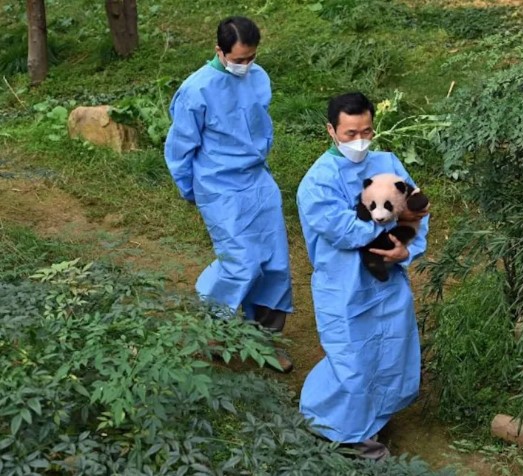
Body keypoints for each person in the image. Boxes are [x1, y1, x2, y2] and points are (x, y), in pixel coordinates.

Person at [296, 92, 430, 460]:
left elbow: (417, 209)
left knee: (391, 350)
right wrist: (397, 217)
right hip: (344, 286)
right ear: (331, 130)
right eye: (350, 133)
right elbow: (344, 230)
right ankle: (341, 430)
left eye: (367, 131)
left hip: (387, 281)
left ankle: (372, 418)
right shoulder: (318, 182)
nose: (360, 141)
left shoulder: (386, 161)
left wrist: (407, 249)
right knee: (351, 360)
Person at [164, 16, 293, 372]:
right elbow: (179, 149)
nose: (246, 65)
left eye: (251, 57)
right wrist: (192, 191)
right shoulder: (196, 90)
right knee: (241, 262)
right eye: (239, 59)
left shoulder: (258, 77)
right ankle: (211, 330)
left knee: (275, 264)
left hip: (257, 181)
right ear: (219, 51)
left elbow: (260, 124)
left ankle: (267, 342)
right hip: (219, 186)